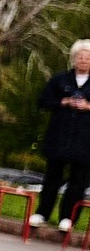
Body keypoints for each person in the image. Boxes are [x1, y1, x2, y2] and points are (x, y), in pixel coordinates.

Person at [33, 40, 90, 232]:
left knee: (78, 182)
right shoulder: (60, 80)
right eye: (80, 57)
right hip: (59, 137)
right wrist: (64, 102)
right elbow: (43, 101)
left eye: (88, 58)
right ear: (74, 59)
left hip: (84, 141)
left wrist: (88, 106)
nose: (83, 61)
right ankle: (42, 213)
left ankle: (68, 218)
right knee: (52, 178)